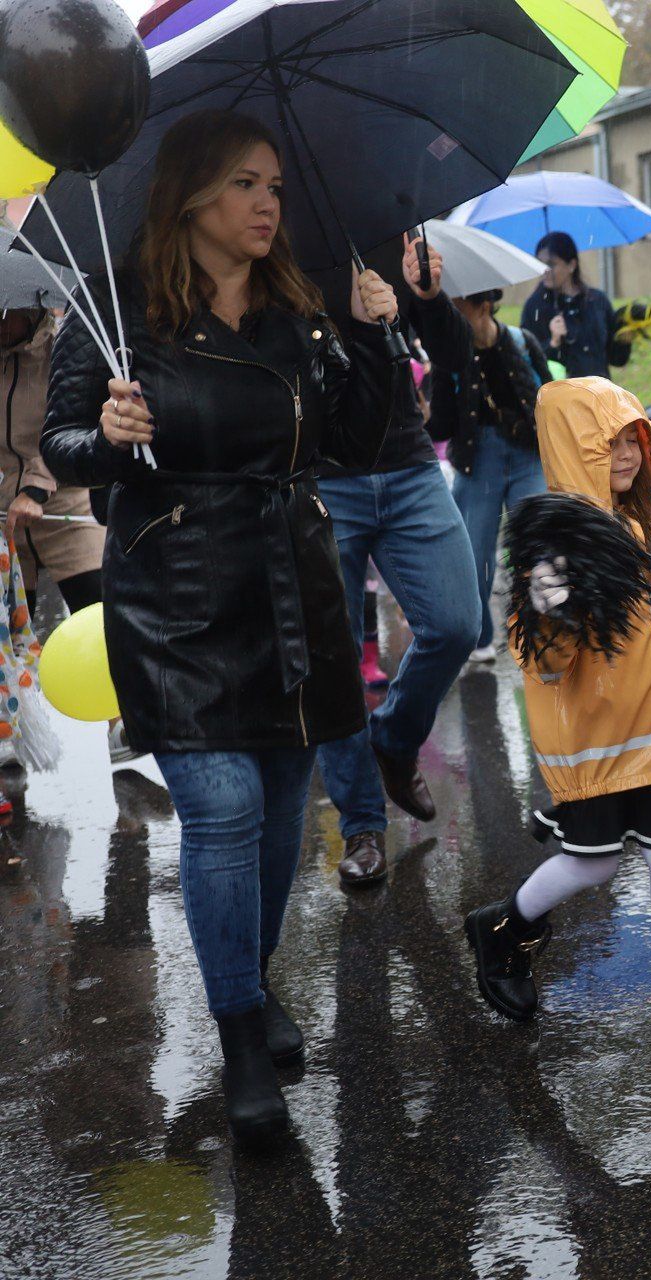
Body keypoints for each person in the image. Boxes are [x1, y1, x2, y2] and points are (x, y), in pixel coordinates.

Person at [40, 108, 401, 1149]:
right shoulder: (115, 304)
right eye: (248, 183)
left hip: (293, 581)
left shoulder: (296, 306)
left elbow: (352, 436)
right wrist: (105, 434)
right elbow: (67, 448)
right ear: (194, 191)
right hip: (178, 592)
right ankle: (242, 1029)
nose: (268, 204)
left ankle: (250, 976)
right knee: (226, 807)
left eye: (277, 188)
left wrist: (374, 332)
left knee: (286, 809)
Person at [463, 378, 651, 1045]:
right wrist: (552, 612)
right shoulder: (555, 539)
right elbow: (542, 659)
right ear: (576, 447)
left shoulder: (641, 522)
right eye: (610, 441)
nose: (626, 454)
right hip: (595, 744)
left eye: (635, 439)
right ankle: (504, 928)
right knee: (592, 862)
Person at [312, 234, 483, 889]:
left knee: (456, 624)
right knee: (334, 659)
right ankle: (361, 825)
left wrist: (427, 298)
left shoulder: (388, 222)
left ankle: (394, 737)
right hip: (326, 477)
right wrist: (347, 325)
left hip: (410, 468)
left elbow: (453, 357)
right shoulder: (279, 245)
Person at [420, 287, 551, 663]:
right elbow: (441, 428)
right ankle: (481, 636)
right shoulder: (449, 358)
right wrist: (425, 410)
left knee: (536, 545)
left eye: (457, 309)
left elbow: (553, 397)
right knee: (473, 555)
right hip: (478, 462)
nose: (452, 318)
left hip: (528, 456)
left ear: (482, 307)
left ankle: (541, 629)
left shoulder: (522, 341)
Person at [3, 307, 104, 619]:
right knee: (13, 644)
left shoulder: (66, 348)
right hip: (8, 518)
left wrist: (35, 490)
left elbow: (74, 426)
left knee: (99, 625)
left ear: (31, 309)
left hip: (69, 508)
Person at [522, 231, 616, 381]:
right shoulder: (534, 307)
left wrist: (624, 339)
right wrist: (552, 343)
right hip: (560, 397)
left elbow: (616, 358)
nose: (545, 270)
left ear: (571, 265)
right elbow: (527, 362)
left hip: (600, 394)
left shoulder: (597, 301)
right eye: (540, 263)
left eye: (551, 264)